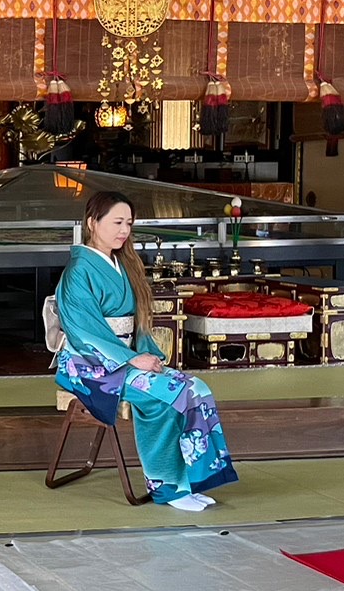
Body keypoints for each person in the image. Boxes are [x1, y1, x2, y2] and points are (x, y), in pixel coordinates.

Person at [54, 191, 238, 511]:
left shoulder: (122, 264)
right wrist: (132, 359)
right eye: (117, 222)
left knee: (196, 388)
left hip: (125, 359)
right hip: (90, 366)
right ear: (92, 223)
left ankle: (188, 482)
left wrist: (146, 355)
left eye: (128, 223)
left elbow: (135, 323)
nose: (124, 230)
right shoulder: (78, 271)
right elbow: (84, 331)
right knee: (167, 395)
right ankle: (168, 488)